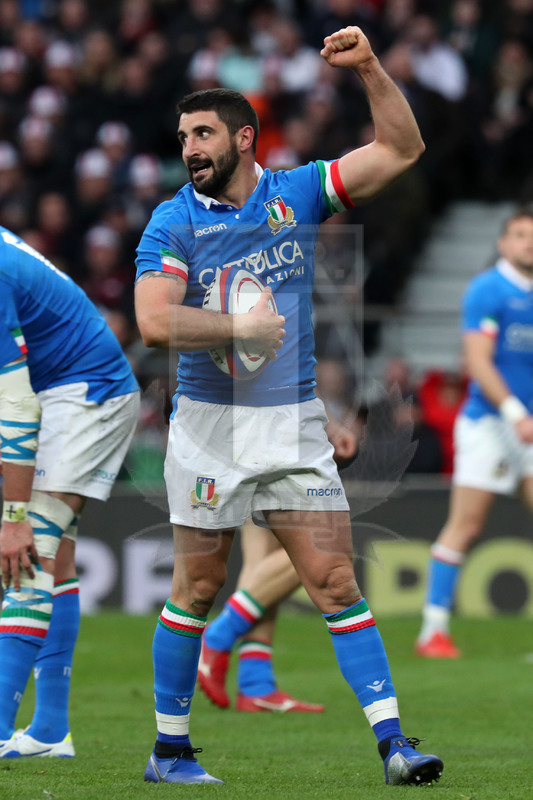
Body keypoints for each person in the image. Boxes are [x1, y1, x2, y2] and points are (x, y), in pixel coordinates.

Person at [134, 26, 443, 788]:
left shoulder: (294, 194)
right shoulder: (175, 221)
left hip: (294, 422)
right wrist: (239, 326)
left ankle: (394, 744)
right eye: (183, 137)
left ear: (245, 137)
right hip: (208, 428)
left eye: (203, 133)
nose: (190, 148)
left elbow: (400, 150)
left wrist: (370, 67)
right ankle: (168, 751)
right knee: (197, 589)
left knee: (335, 581)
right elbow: (152, 320)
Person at [0, 227, 140, 757]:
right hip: (59, 388)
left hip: (86, 391)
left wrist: (13, 516)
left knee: (29, 547)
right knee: (53, 560)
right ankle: (51, 730)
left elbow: (16, 405)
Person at [415, 210, 533, 658]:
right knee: (466, 525)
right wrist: (513, 411)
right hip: (490, 424)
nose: (528, 243)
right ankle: (433, 631)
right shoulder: (488, 289)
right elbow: (478, 362)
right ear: (503, 243)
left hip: (528, 427)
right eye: (520, 235)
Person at [199, 415, 358, 713]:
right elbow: (280, 374)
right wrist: (328, 424)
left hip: (246, 429)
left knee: (262, 554)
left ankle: (255, 684)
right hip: (266, 429)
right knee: (320, 545)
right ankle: (218, 635)